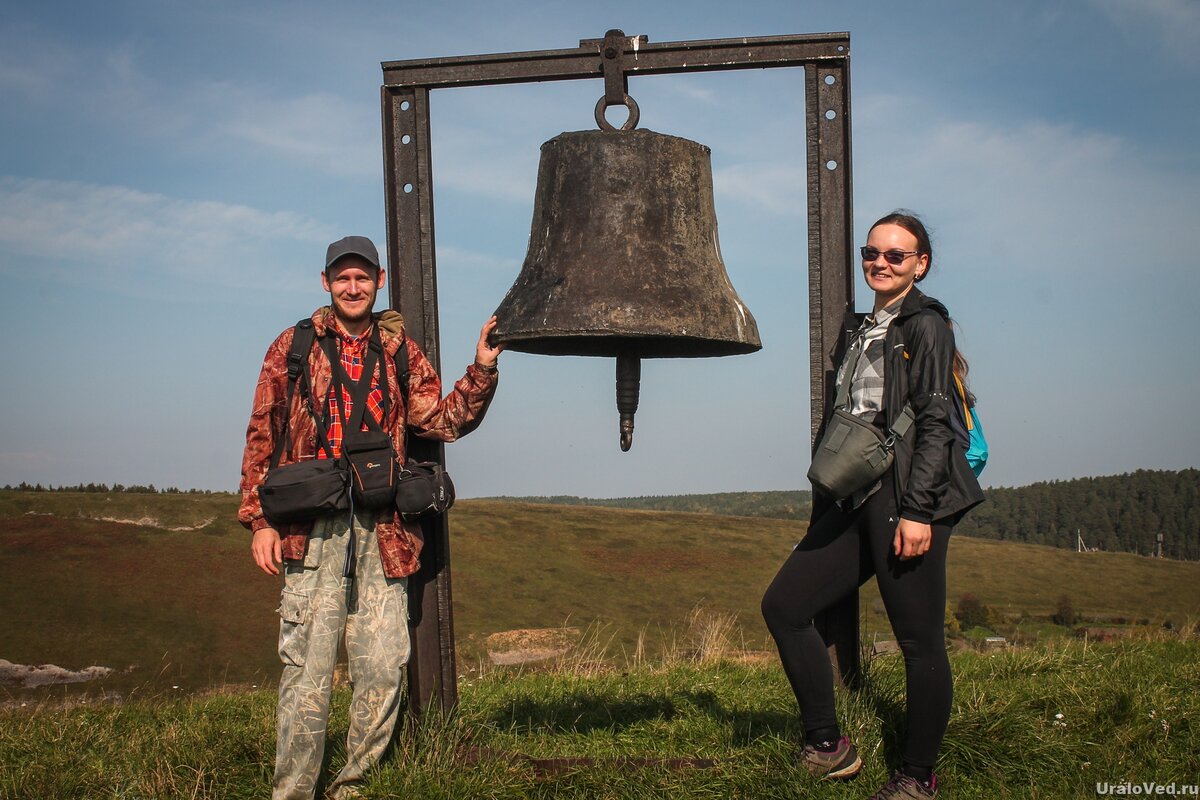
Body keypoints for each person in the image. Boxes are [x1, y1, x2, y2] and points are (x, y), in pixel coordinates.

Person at [238, 235, 502, 800]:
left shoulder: (401, 351)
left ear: (379, 281)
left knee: (382, 667)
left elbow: (443, 421)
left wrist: (481, 367)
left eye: (362, 278)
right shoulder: (293, 346)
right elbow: (263, 432)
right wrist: (257, 519)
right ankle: (293, 792)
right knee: (307, 672)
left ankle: (352, 786)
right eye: (342, 278)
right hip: (310, 531)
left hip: (386, 532)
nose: (352, 288)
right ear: (326, 282)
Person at [761, 211, 984, 799]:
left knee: (918, 640)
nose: (880, 264)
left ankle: (917, 777)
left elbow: (937, 422)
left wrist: (917, 512)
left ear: (920, 265)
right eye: (872, 253)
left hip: (906, 496)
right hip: (856, 495)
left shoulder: (926, 326)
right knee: (784, 605)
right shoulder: (860, 327)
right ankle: (828, 745)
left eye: (895, 256)